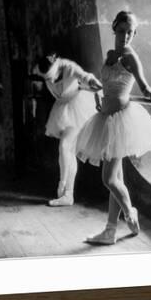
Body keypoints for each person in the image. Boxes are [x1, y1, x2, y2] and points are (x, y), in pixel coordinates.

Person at [76, 10, 151, 244]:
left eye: (131, 32)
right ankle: (109, 230)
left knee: (108, 179)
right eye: (122, 31)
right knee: (116, 178)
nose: (126, 36)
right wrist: (99, 95)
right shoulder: (110, 54)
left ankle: (130, 213)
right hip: (105, 118)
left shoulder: (130, 56)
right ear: (114, 29)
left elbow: (144, 85)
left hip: (121, 120)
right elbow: (105, 83)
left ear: (134, 33)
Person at [33, 54, 102, 206]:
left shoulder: (69, 67)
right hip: (61, 110)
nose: (50, 81)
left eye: (52, 76)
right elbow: (37, 71)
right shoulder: (40, 68)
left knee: (64, 147)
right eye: (47, 78)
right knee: (69, 151)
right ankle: (68, 195)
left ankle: (63, 183)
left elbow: (85, 76)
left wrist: (93, 83)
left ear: (57, 67)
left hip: (77, 108)